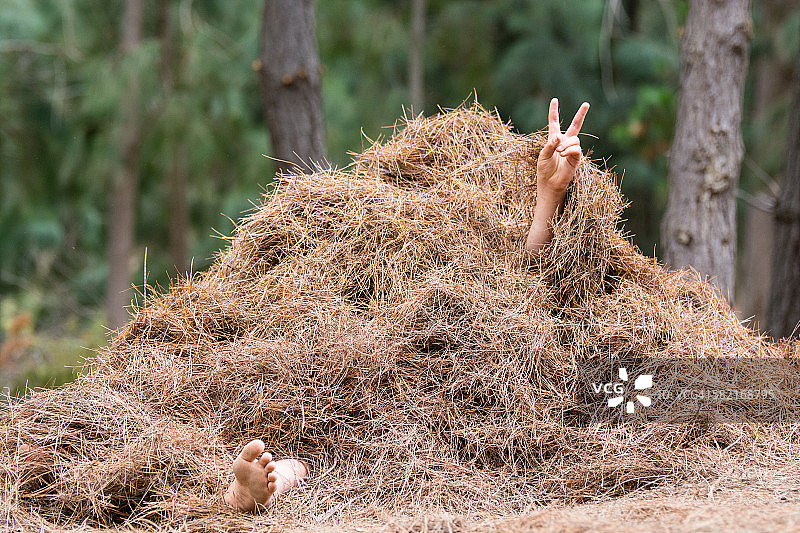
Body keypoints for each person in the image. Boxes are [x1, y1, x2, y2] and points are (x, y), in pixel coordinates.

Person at [222, 97, 589, 513]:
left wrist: (549, 192)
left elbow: (524, 279)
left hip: (442, 388)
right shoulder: (367, 226)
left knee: (334, 443)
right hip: (362, 371)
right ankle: (258, 487)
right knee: (322, 426)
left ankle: (273, 480)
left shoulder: (476, 241)